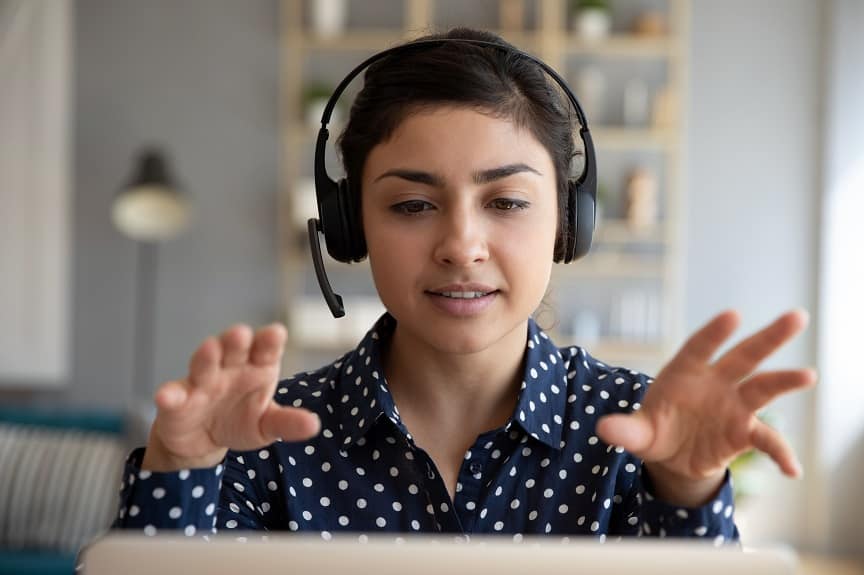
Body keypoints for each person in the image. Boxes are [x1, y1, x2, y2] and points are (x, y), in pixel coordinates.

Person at [113, 27, 814, 542]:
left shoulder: (640, 433)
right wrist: (181, 468)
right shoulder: (261, 437)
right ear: (352, 226)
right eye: (412, 205)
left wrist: (686, 490)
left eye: (506, 202)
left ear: (570, 222)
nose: (460, 245)